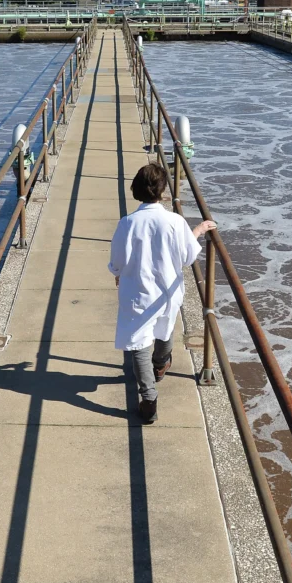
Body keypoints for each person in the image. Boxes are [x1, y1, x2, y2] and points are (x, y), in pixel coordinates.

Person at [109, 163, 216, 423]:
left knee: (138, 343)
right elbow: (188, 255)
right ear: (164, 191)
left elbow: (117, 261)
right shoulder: (175, 221)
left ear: (135, 189)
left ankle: (148, 399)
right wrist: (199, 230)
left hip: (137, 291)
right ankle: (160, 364)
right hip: (167, 291)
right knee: (166, 329)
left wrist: (118, 274)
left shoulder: (128, 223)